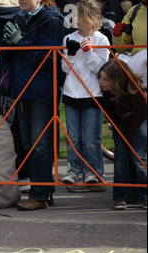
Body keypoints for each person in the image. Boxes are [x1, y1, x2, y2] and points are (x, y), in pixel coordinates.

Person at [1, 0, 65, 211]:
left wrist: (19, 41)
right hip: (22, 88)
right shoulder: (20, 17)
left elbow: (47, 59)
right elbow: (9, 57)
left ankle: (40, 194)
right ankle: (43, 190)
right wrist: (7, 44)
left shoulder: (52, 21)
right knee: (29, 143)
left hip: (40, 90)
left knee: (40, 144)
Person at [60, 0, 109, 185]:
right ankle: (74, 170)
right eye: (76, 15)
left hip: (92, 94)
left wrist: (88, 52)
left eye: (80, 16)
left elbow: (100, 69)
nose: (76, 19)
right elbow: (65, 68)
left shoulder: (101, 39)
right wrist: (71, 54)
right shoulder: (69, 38)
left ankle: (93, 172)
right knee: (73, 137)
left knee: (90, 137)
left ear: (93, 19)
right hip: (72, 93)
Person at [98, 58, 147, 210]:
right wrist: (121, 132)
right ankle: (121, 196)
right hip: (120, 125)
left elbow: (141, 113)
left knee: (136, 157)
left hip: (139, 123)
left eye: (105, 79)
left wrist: (129, 134)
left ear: (118, 80)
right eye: (100, 77)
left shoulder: (134, 89)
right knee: (120, 157)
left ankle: (145, 195)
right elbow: (110, 115)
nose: (101, 82)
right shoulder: (105, 94)